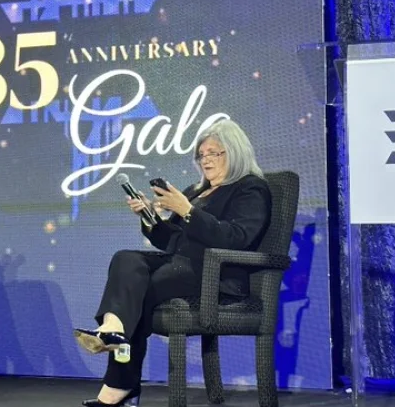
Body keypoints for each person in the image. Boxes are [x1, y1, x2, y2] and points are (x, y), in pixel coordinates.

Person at [73, 119, 272, 406]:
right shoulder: (195, 191)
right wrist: (150, 219)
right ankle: (112, 330)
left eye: (214, 153)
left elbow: (236, 238)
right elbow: (172, 242)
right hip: (181, 265)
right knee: (126, 260)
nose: (206, 160)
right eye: (202, 155)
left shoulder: (250, 189)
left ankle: (120, 386)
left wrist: (188, 211)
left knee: (138, 292)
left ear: (235, 152)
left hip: (216, 273)